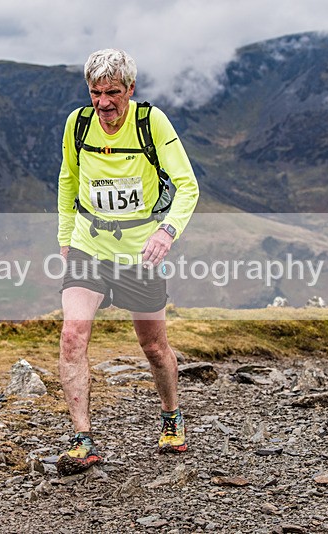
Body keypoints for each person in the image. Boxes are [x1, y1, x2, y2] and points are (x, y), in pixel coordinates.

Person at [56, 48, 199, 475]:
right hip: (88, 247)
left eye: (113, 92)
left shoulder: (151, 122)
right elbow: (68, 179)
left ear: (130, 89)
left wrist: (166, 231)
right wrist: (65, 239)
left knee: (153, 347)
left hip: (140, 253)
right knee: (71, 337)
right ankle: (83, 439)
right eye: (95, 92)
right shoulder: (77, 124)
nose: (103, 103)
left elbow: (187, 185)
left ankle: (171, 416)